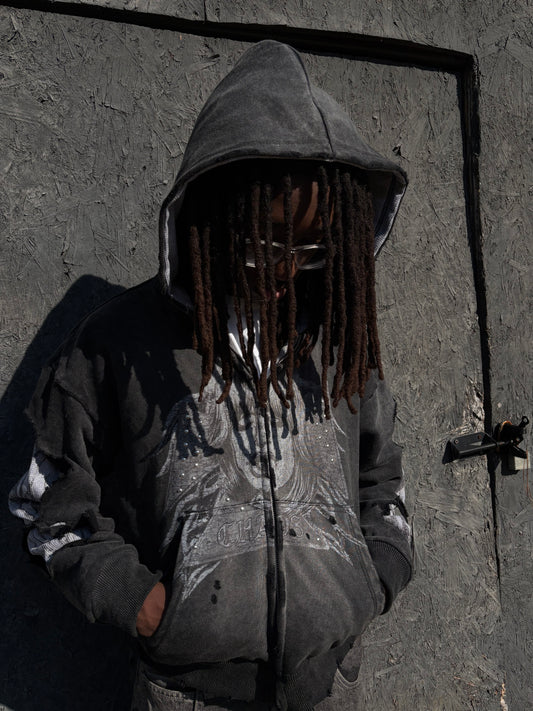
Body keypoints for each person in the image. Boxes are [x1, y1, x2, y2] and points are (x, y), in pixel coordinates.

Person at [9, 40, 413, 710]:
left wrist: (373, 581)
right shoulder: (118, 344)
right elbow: (47, 504)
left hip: (328, 689)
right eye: (266, 239)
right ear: (213, 215)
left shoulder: (341, 338)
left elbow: (381, 476)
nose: (287, 269)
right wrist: (150, 609)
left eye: (312, 245)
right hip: (185, 694)